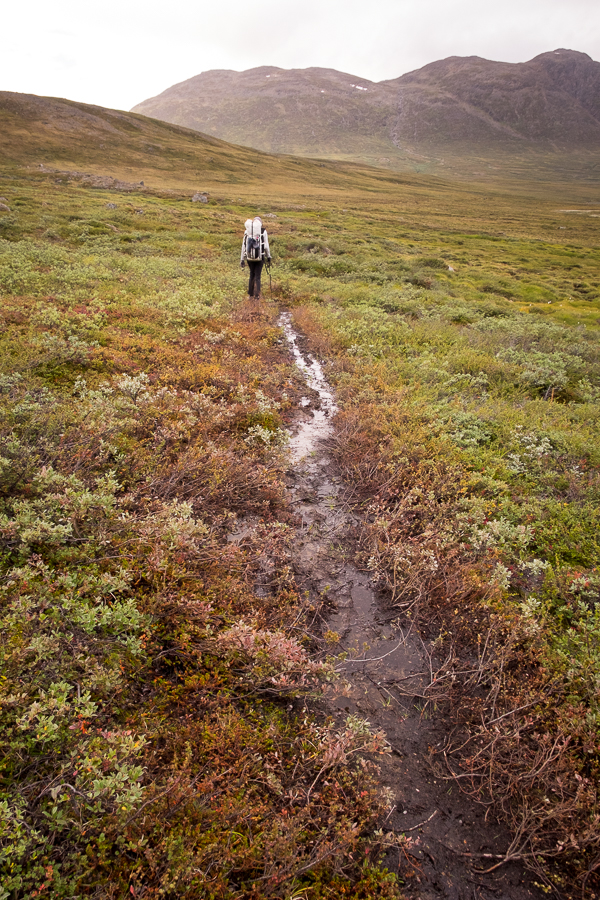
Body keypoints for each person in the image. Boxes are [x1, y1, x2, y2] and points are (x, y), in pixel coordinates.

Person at [240, 216, 271, 299]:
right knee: (258, 276)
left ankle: (250, 295)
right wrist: (268, 256)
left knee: (251, 275)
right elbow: (266, 246)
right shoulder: (263, 231)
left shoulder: (247, 232)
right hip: (260, 257)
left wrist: (242, 259)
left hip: (249, 258)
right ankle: (257, 295)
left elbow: (244, 246)